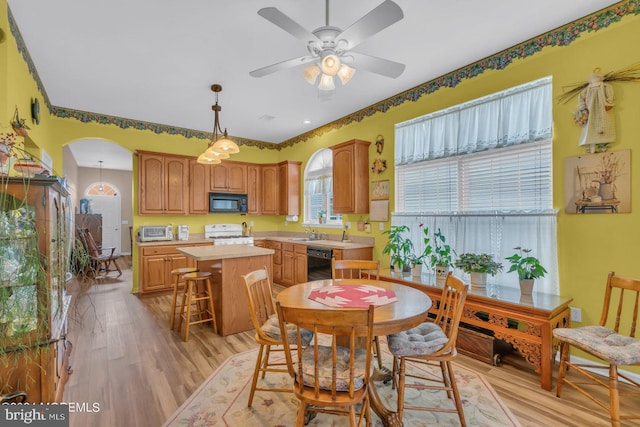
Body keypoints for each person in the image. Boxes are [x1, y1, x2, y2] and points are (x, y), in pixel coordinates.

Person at [575, 70, 615, 153]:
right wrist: (583, 107)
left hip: (602, 108)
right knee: (590, 127)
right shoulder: (588, 89)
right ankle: (591, 146)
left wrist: (609, 103)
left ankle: (603, 145)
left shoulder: (604, 87)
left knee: (603, 125)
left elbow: (609, 93)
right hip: (590, 109)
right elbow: (581, 97)